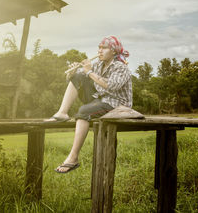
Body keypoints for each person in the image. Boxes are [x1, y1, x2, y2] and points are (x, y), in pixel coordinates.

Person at [44, 36, 132, 173]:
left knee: (84, 111)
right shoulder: (98, 64)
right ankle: (62, 112)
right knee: (78, 76)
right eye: (99, 47)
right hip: (101, 100)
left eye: (104, 48)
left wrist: (89, 72)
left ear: (114, 51)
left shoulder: (121, 67)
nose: (100, 51)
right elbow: (77, 78)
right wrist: (73, 72)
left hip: (118, 106)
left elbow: (110, 86)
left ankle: (73, 158)